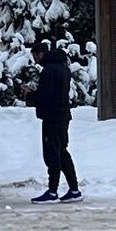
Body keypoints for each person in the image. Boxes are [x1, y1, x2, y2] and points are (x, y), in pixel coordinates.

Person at [30, 40, 81, 203]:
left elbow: (44, 96)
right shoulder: (63, 68)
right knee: (62, 151)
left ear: (40, 54)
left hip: (51, 117)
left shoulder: (48, 71)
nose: (35, 60)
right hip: (63, 115)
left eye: (34, 56)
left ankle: (52, 191)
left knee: (52, 153)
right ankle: (74, 189)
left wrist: (29, 95)